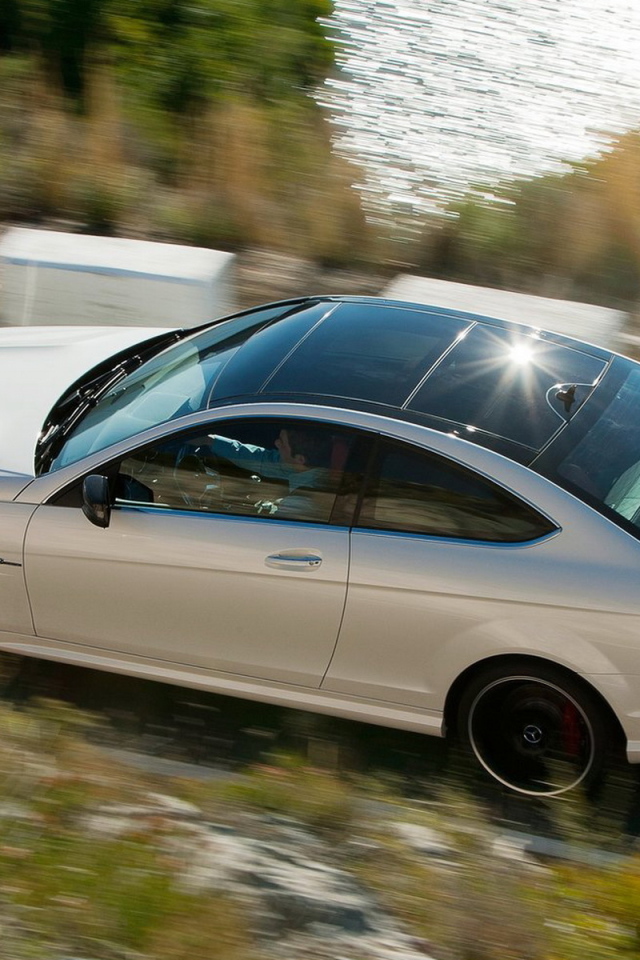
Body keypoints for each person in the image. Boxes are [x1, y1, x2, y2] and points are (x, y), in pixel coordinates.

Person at [209, 427, 338, 521]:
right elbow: (261, 458)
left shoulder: (300, 503)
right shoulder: (306, 466)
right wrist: (212, 441)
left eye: (282, 442)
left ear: (300, 459)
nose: (276, 443)